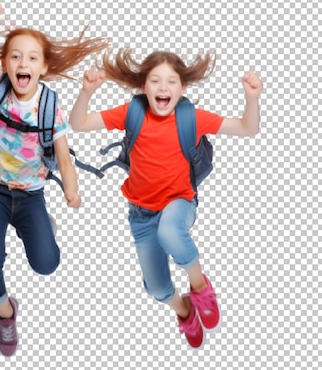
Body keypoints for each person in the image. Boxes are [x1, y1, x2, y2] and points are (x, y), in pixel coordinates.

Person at [69, 48, 262, 349]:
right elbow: (78, 123)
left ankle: (200, 288)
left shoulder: (192, 118)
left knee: (169, 231)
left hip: (180, 203)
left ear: (183, 88)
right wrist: (86, 92)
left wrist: (251, 98)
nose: (163, 87)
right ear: (143, 87)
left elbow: (248, 129)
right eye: (155, 80)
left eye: (171, 81)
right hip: (140, 214)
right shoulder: (131, 113)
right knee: (157, 289)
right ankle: (184, 310)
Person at [0, 0, 109, 355]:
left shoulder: (51, 107)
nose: (23, 63)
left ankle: (43, 227)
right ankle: (6, 312)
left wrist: (72, 192)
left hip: (30, 195)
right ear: (5, 63)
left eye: (32, 57)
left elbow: (65, 161)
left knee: (47, 265)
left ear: (44, 67)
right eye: (16, 56)